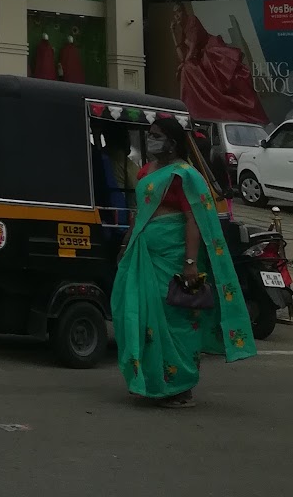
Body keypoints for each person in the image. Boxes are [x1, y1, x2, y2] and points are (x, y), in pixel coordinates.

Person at [111, 115, 256, 406]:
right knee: (137, 313)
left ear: (173, 142)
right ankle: (152, 381)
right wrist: (127, 242)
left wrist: (190, 262)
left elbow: (193, 219)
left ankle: (181, 385)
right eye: (150, 134)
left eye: (156, 135)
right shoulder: (146, 173)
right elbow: (140, 212)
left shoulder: (184, 175)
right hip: (145, 252)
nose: (151, 140)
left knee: (177, 318)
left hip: (175, 255)